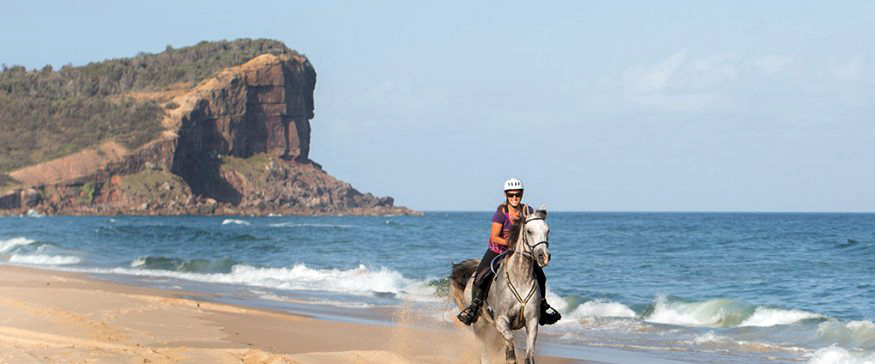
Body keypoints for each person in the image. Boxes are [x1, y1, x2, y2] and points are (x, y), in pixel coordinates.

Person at [456, 178, 561, 326]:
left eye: (517, 194)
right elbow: (494, 237)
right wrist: (512, 243)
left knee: (541, 277)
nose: (514, 198)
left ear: (522, 194)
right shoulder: (501, 214)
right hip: (497, 250)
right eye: (511, 195)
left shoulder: (528, 211)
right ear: (506, 195)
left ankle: (543, 309)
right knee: (480, 277)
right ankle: (474, 307)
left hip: (521, 254)